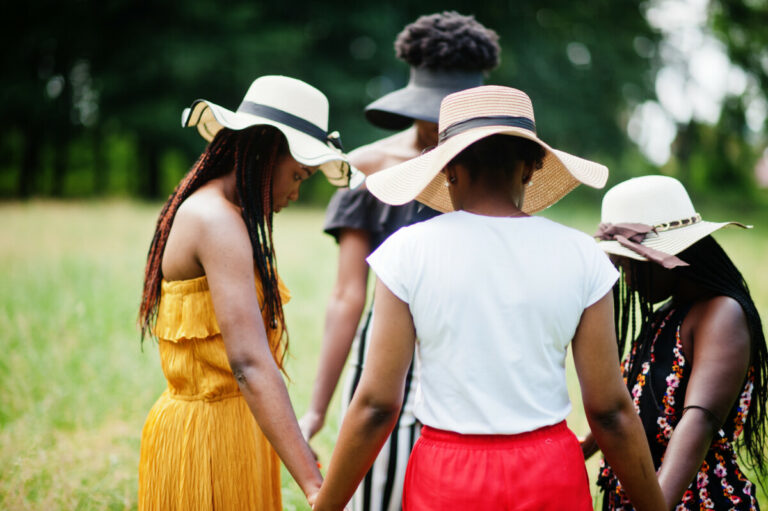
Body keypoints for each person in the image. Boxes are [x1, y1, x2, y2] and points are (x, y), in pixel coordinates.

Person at [313, 85, 667, 511]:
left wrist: (327, 505)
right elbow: (610, 410)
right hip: (550, 472)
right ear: (533, 167)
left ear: (446, 169)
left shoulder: (407, 251)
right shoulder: (582, 254)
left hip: (447, 478)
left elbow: (375, 405)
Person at [299, 13, 500, 511]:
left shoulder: (498, 172)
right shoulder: (368, 169)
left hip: (471, 357)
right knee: (376, 494)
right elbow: (348, 295)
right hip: (388, 359)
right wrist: (318, 411)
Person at [136, 75, 355, 510]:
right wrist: (315, 486)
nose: (296, 192)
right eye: (298, 175)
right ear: (266, 152)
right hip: (207, 443)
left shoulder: (223, 214)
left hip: (238, 432)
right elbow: (250, 365)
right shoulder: (216, 220)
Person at [586, 175, 767, 510]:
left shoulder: (722, 315)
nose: (625, 276)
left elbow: (698, 422)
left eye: (629, 264)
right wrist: (573, 453)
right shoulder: (667, 315)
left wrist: (655, 503)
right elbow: (627, 405)